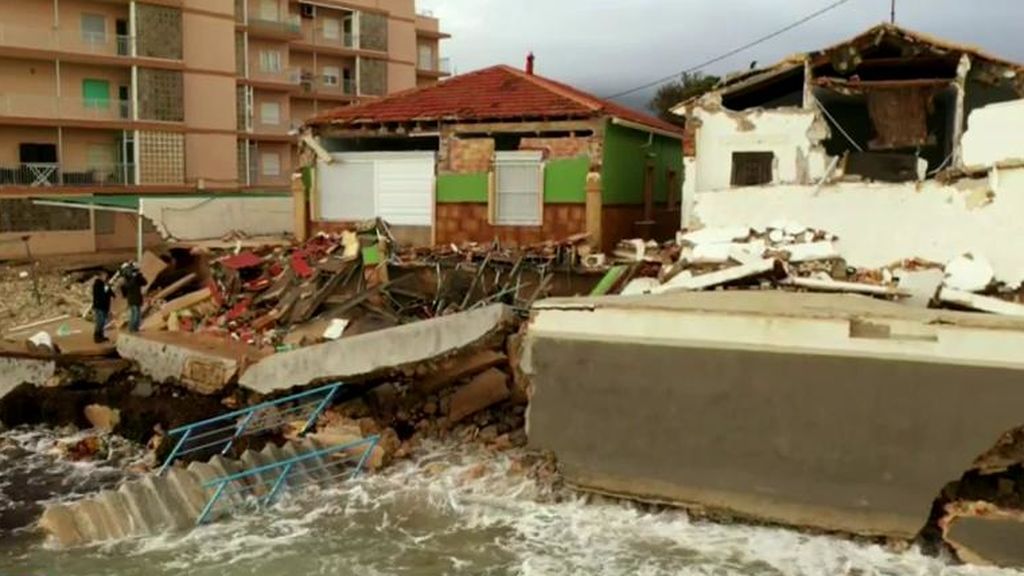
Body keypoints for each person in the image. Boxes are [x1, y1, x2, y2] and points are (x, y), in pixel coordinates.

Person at [120, 265, 148, 333]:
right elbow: (128, 287)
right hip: (132, 299)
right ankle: (132, 328)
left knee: (137, 314)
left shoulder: (136, 279)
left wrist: (140, 276)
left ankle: (135, 328)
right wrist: (135, 277)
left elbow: (145, 283)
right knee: (135, 314)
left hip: (137, 298)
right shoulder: (127, 280)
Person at [91, 270, 114, 343]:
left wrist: (108, 287)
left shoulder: (104, 284)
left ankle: (101, 335)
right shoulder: (98, 284)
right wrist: (106, 287)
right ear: (101, 276)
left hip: (104, 306)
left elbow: (109, 293)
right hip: (99, 306)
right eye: (105, 276)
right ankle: (97, 337)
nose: (106, 277)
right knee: (99, 322)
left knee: (103, 322)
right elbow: (102, 294)